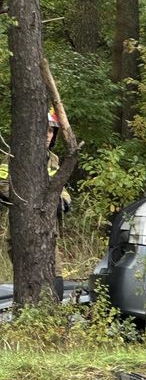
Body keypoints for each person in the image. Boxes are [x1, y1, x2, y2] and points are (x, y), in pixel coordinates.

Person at [0, 110, 71, 299]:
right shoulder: (15, 155)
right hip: (20, 227)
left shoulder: (53, 159)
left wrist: (62, 201)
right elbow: (3, 184)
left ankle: (53, 317)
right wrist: (30, 203)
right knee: (26, 278)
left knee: (55, 274)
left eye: (51, 131)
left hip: (47, 229)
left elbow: (60, 187)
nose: (48, 135)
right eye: (44, 130)